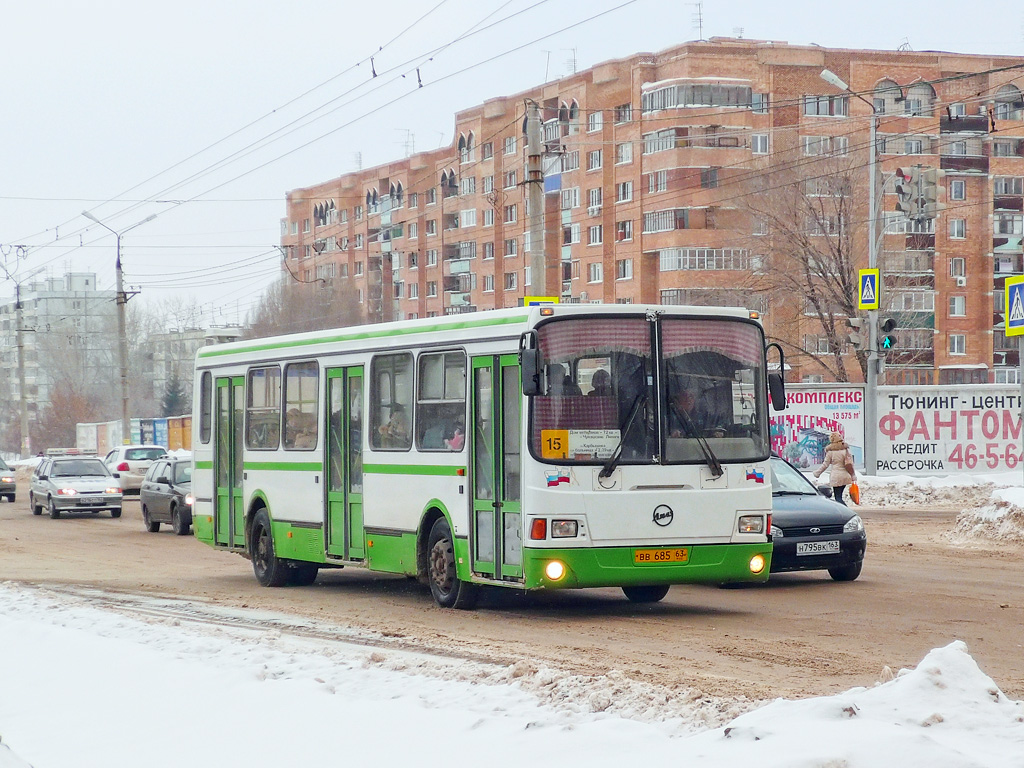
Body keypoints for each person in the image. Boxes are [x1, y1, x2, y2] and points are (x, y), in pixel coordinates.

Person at [814, 431, 856, 505]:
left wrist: (818, 473)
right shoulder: (846, 450)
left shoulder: (831, 452)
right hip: (845, 475)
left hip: (836, 476)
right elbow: (850, 463)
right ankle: (845, 511)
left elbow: (825, 464)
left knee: (838, 497)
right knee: (840, 496)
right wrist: (853, 474)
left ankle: (845, 511)